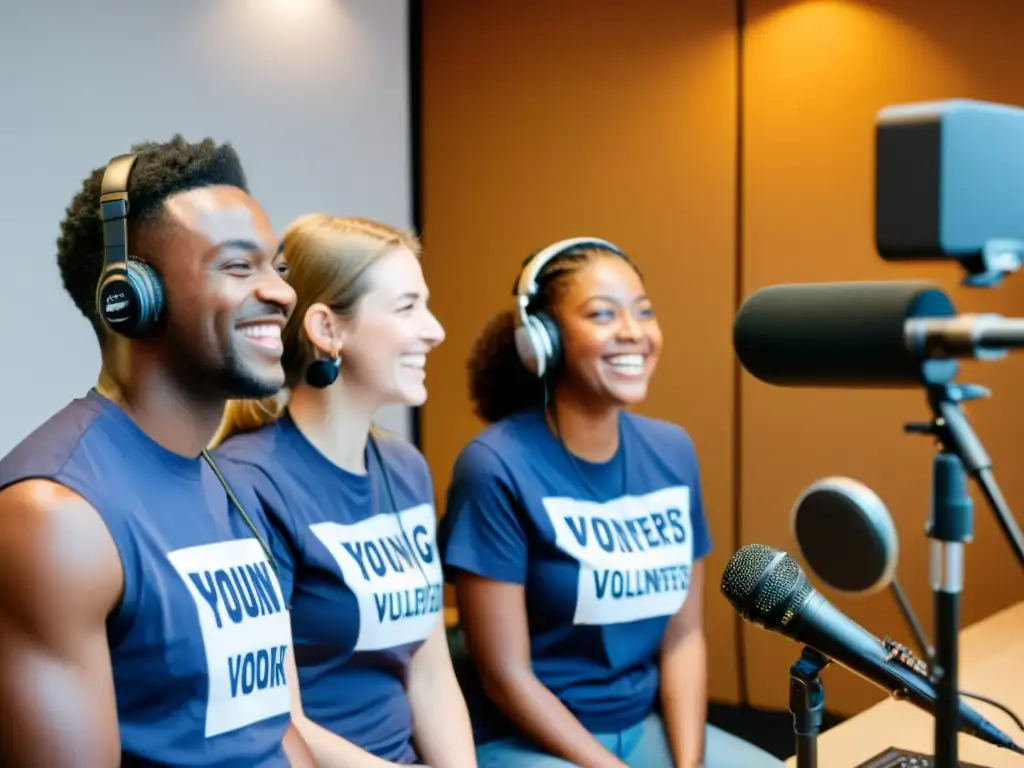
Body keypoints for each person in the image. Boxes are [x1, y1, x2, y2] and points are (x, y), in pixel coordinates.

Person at [0, 137, 314, 768]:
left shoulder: (224, 482)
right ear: (131, 295)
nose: (281, 293)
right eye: (237, 266)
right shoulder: (53, 517)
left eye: (276, 267)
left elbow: (270, 730)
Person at [438, 238, 785, 768]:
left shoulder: (672, 450)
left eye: (644, 312)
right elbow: (506, 676)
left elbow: (684, 635)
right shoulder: (494, 465)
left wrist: (689, 765)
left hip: (643, 728)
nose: (633, 332)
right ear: (542, 340)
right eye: (603, 314)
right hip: (528, 741)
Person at [212, 214, 477, 767]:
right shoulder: (247, 483)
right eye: (407, 307)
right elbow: (280, 721)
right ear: (327, 329)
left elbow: (429, 674)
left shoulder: (405, 468)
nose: (435, 330)